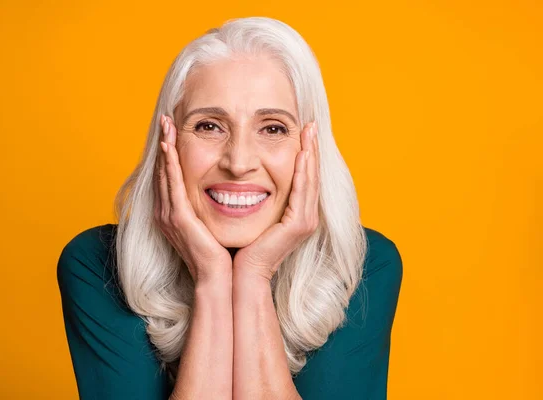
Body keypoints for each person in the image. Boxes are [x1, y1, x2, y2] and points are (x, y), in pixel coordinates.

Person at [57, 16, 403, 400]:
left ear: (310, 148)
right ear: (167, 141)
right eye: (209, 126)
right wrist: (212, 277)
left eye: (272, 128)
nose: (238, 163)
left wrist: (253, 275)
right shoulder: (97, 264)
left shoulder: (362, 265)